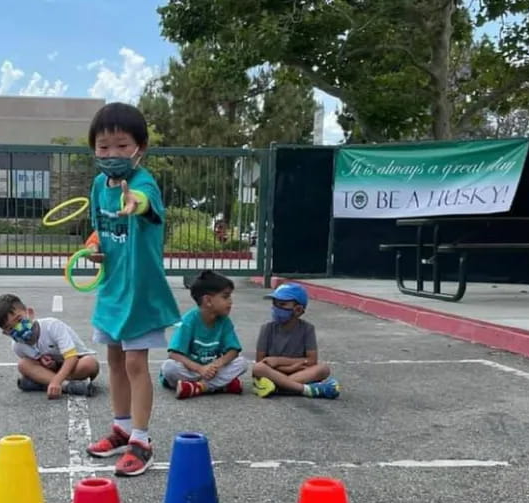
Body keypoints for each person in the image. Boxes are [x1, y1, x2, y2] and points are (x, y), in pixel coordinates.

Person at [83, 101, 181, 477]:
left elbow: (143, 205)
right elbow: (98, 230)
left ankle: (142, 441)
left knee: (137, 363)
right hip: (111, 290)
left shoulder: (143, 184)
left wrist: (133, 202)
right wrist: (94, 247)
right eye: (104, 147)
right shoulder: (97, 185)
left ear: (141, 147)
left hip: (140, 293)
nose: (112, 154)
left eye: (122, 145)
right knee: (113, 361)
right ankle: (121, 428)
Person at [0, 293, 99, 398]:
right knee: (23, 365)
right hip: (55, 370)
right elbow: (35, 363)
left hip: (75, 363)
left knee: (89, 363)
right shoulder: (17, 346)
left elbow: (72, 357)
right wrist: (48, 364)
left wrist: (56, 381)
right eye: (10, 328)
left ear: (30, 313)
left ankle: (43, 384)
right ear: (6, 333)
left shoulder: (51, 326)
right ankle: (68, 386)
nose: (18, 328)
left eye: (19, 320)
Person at [160, 270, 247, 399]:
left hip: (212, 371)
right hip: (191, 370)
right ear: (208, 300)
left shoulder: (224, 321)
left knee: (242, 363)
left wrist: (216, 364)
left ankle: (197, 387)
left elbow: (233, 351)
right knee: (169, 368)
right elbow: (174, 354)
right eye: (225, 296)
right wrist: (200, 369)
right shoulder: (189, 321)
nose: (230, 301)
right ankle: (220, 385)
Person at [251, 283, 341, 399]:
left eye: (282, 304)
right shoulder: (267, 329)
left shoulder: (307, 329)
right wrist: (293, 365)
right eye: (274, 303)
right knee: (258, 368)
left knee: (323, 369)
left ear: (298, 310)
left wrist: (279, 361)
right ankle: (305, 389)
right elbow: (261, 362)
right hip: (273, 372)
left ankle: (276, 388)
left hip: (297, 373)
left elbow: (312, 361)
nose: (276, 308)